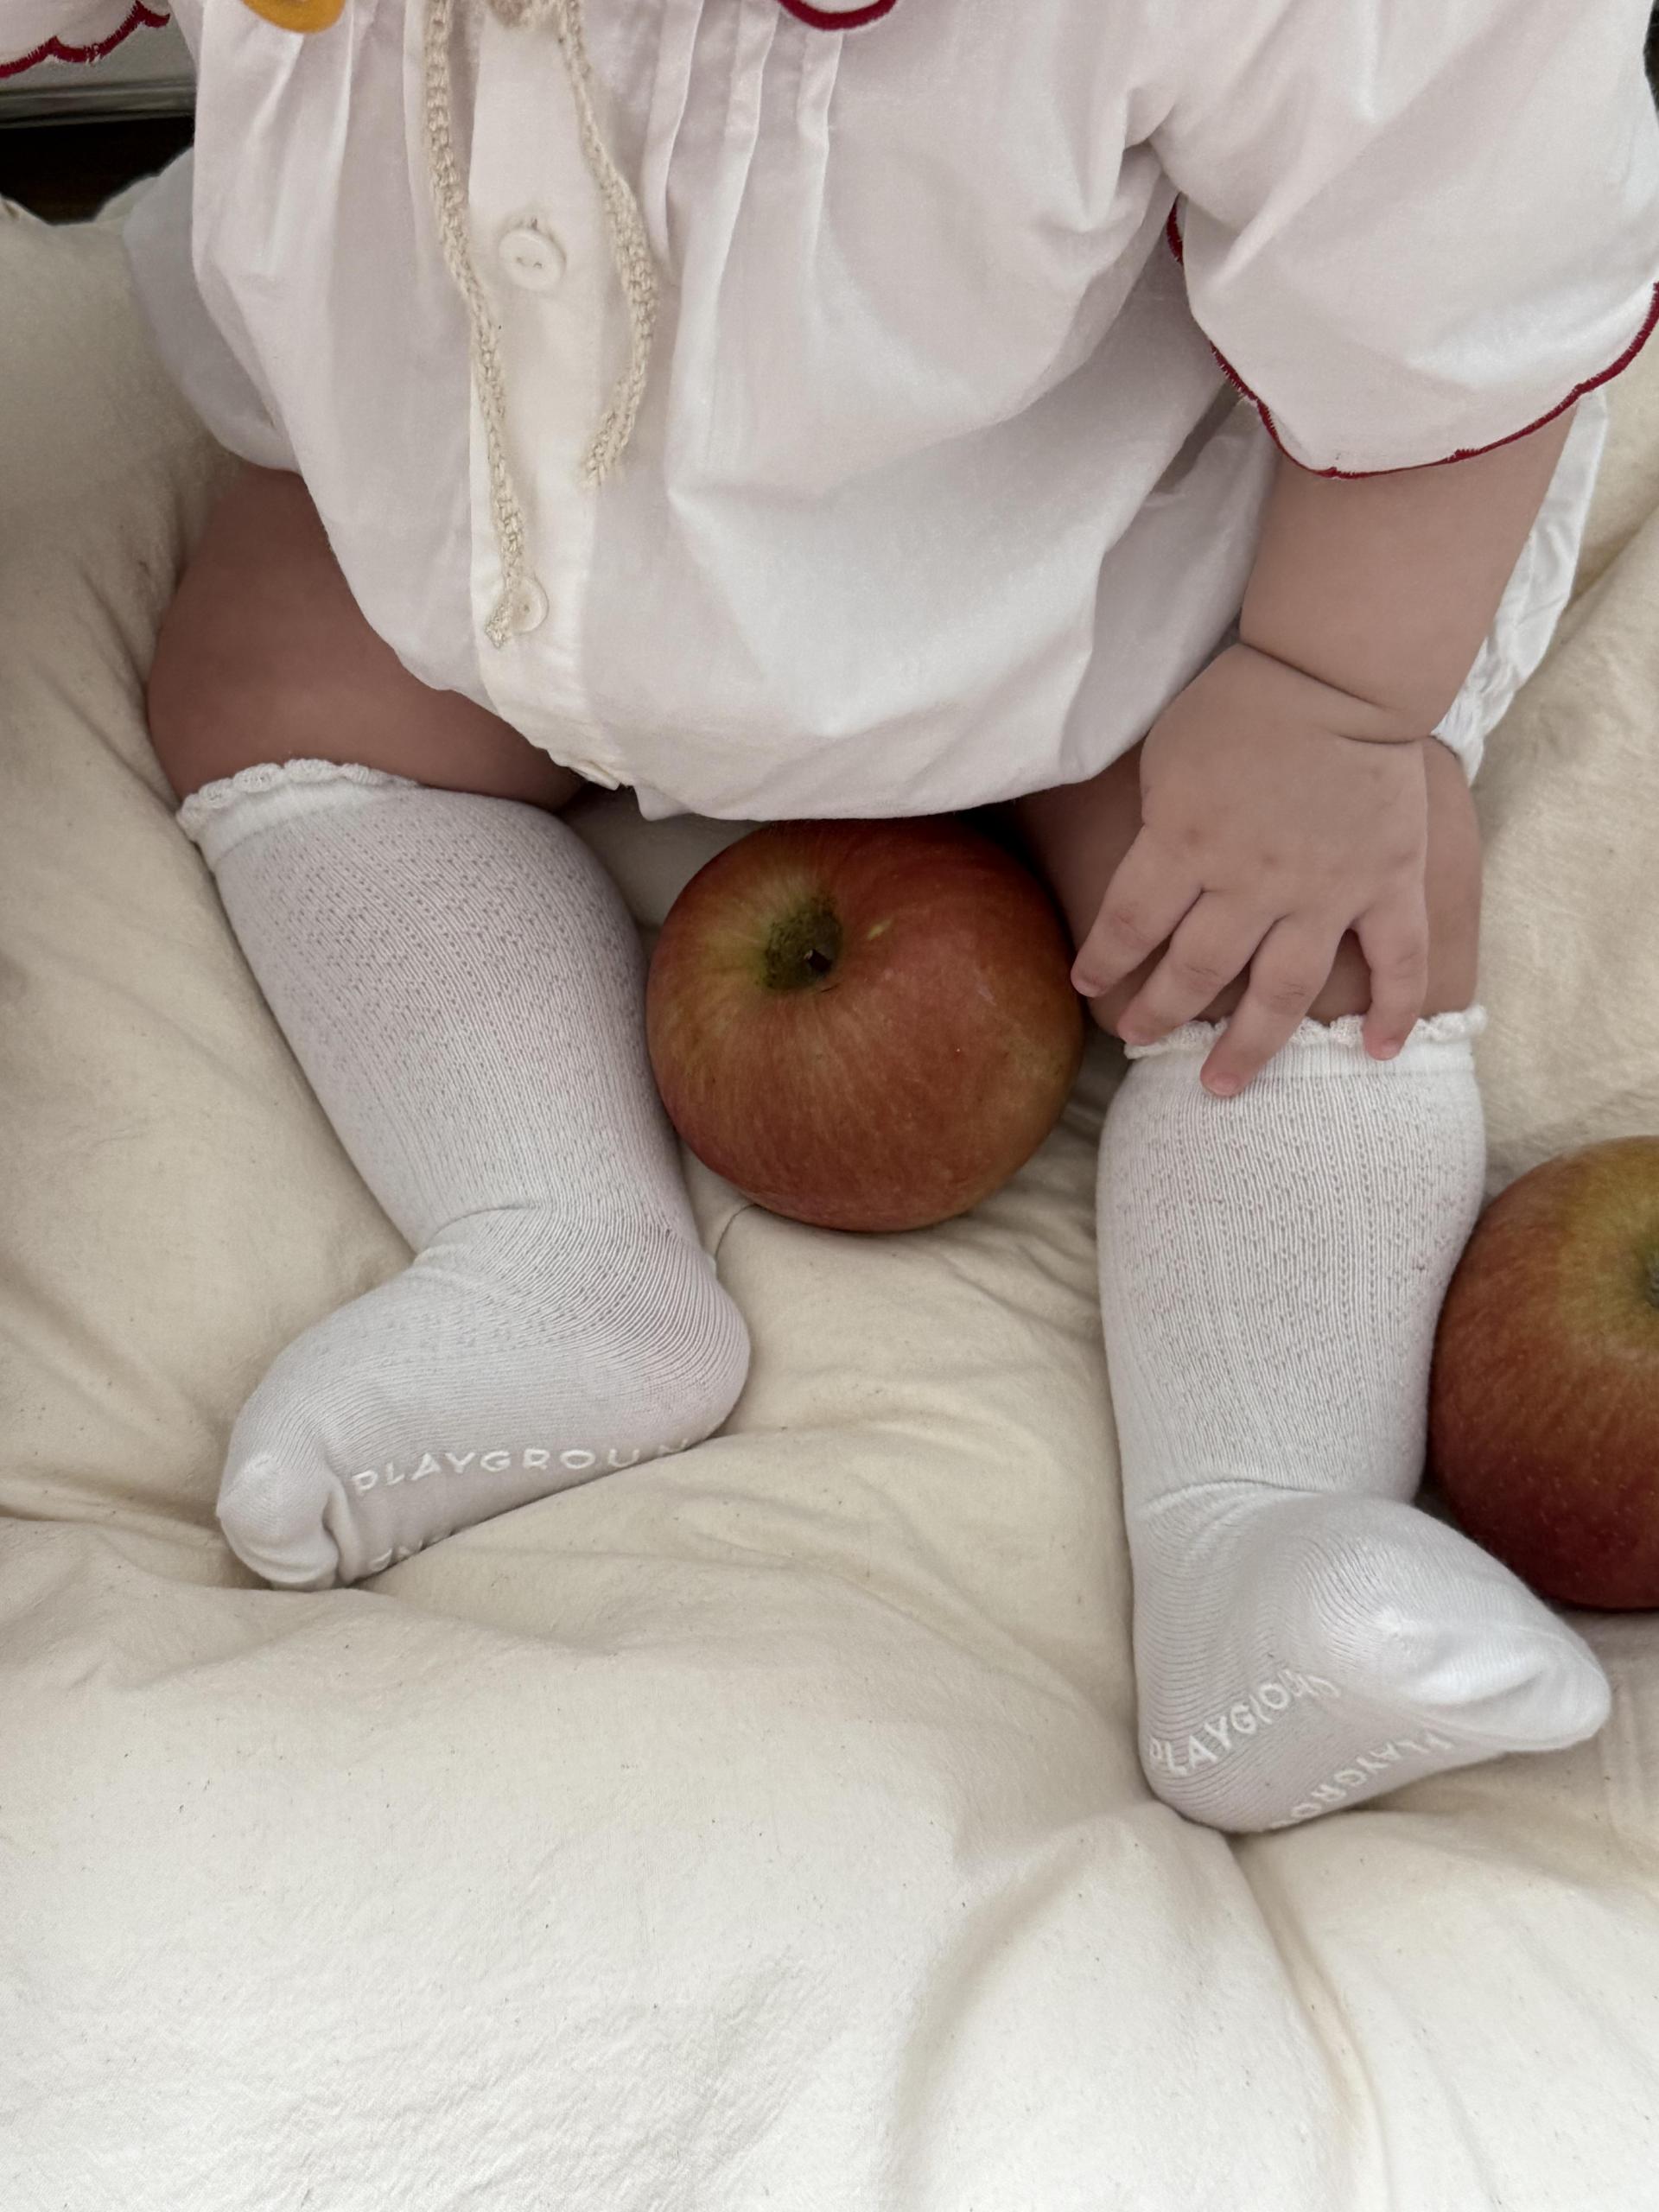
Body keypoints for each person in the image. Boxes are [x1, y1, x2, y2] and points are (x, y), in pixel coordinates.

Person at [22, 0, 1659, 1830]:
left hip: (1074, 549)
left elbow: (1450, 218)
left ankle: (1264, 1518)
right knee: (277, 674)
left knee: (1306, 913)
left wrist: (1330, 697)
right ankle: (554, 1245)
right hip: (498, 459)